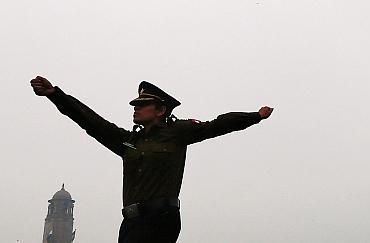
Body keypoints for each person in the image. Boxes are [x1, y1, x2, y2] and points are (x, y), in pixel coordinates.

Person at [30, 75, 273, 243]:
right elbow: (90, 120)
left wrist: (254, 116)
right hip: (131, 223)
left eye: (143, 104)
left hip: (161, 220)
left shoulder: (178, 133)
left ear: (161, 110)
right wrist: (55, 95)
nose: (135, 108)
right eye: (136, 104)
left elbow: (219, 125)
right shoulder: (128, 142)